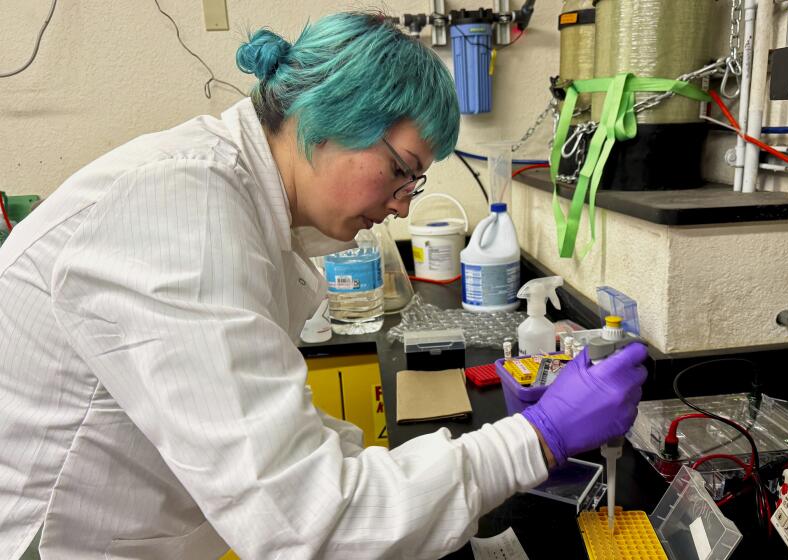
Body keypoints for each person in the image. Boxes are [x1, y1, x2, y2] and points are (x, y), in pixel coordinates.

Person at [0, 12, 647, 560]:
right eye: (402, 172)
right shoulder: (179, 210)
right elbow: (307, 519)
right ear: (334, 113)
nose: (401, 206)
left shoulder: (238, 205)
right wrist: (536, 438)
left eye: (412, 185)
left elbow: (298, 453)